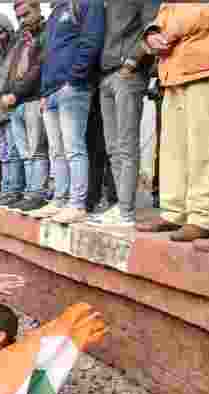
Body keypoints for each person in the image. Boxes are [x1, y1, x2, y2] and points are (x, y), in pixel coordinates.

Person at [135, 3, 209, 242]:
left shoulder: (180, 23)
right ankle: (174, 213)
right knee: (173, 149)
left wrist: (175, 26)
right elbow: (165, 12)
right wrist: (152, 35)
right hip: (174, 66)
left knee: (205, 147)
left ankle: (202, 218)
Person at [84, 0, 162, 229]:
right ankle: (121, 207)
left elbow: (152, 25)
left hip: (128, 74)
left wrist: (133, 60)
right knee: (113, 148)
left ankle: (126, 210)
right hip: (106, 75)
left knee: (126, 146)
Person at [29, 0, 107, 224]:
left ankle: (77, 204)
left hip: (72, 87)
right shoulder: (55, 12)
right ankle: (59, 200)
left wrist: (74, 78)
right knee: (56, 151)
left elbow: (91, 41)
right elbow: (48, 56)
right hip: (51, 91)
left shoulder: (85, 4)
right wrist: (44, 91)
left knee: (74, 148)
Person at [4, 2, 52, 213]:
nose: (22, 20)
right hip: (18, 104)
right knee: (25, 154)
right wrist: (5, 92)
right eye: (19, 17)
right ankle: (29, 192)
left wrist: (16, 93)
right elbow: (12, 69)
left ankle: (38, 194)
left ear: (38, 10)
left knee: (37, 151)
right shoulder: (21, 39)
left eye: (26, 14)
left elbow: (39, 67)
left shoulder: (46, 33)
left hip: (32, 99)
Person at [0, 13, 27, 208]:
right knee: (4, 155)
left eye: (0, 31)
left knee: (14, 152)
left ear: (9, 30)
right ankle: (7, 189)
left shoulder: (16, 47)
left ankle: (15, 190)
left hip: (11, 108)